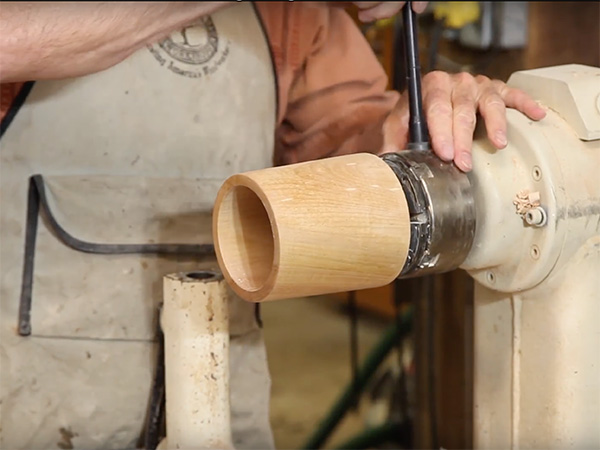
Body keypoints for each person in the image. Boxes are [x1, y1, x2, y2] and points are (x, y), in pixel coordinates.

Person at [0, 2, 545, 449]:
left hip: (221, 407)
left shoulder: (293, 14)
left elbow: (351, 155)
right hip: (34, 411)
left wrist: (421, 125)